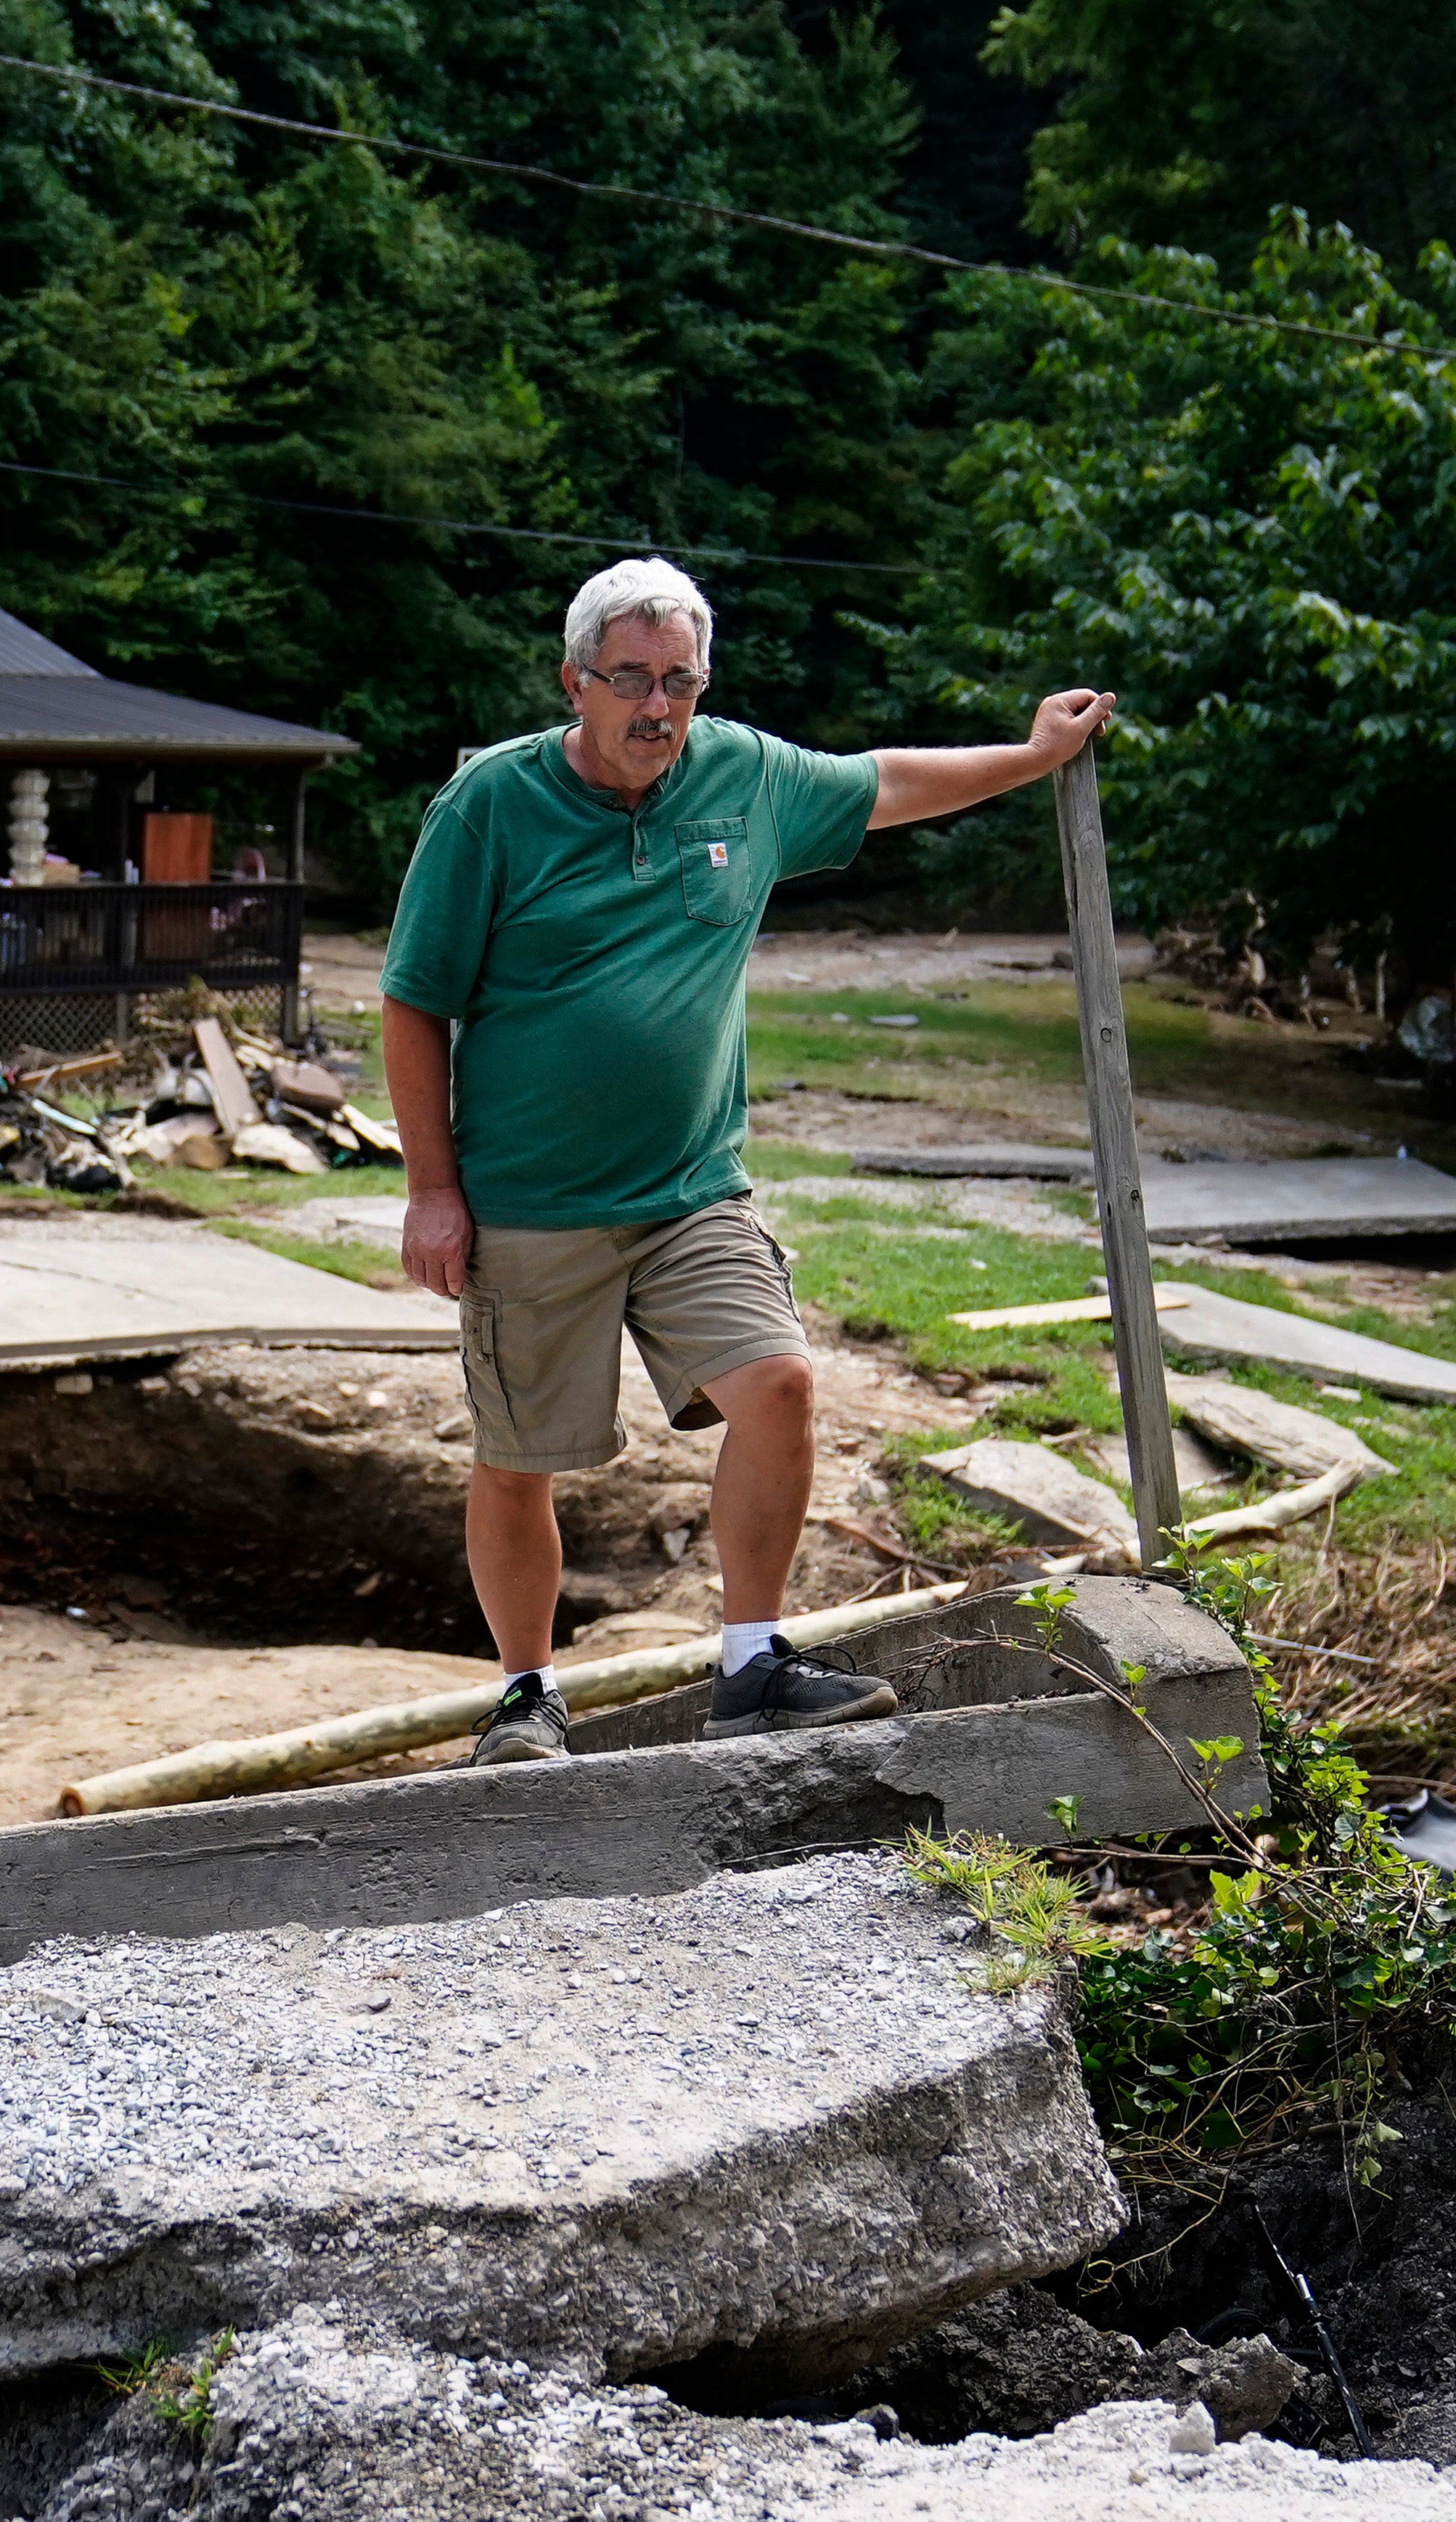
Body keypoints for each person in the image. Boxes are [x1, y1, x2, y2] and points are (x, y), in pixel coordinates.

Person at [383, 557, 1116, 1762]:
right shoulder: (491, 807)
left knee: (779, 1385)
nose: (657, 705)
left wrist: (1030, 756)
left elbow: (886, 784)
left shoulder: (741, 775)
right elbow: (412, 1002)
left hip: (690, 1190)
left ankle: (752, 1664)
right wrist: (431, 1189)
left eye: (679, 679)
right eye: (630, 678)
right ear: (576, 681)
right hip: (528, 1199)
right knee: (522, 1459)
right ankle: (526, 1697)